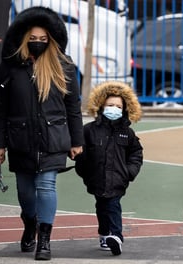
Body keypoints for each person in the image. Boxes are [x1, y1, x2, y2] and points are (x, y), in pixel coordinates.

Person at [0, 6, 84, 261]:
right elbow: (0, 109)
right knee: (25, 192)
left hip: (53, 138)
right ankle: (30, 223)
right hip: (21, 140)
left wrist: (77, 141)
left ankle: (44, 239)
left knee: (46, 185)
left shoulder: (63, 66)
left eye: (43, 39)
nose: (38, 43)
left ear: (52, 40)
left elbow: (73, 107)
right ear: (23, 38)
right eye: (33, 39)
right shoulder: (10, 68)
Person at [74, 81, 143, 256]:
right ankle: (105, 234)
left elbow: (136, 153)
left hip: (118, 178)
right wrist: (85, 172)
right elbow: (80, 152)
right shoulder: (89, 130)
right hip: (96, 178)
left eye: (118, 106)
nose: (114, 109)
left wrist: (129, 172)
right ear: (101, 106)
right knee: (102, 206)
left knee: (113, 205)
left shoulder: (127, 133)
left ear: (125, 109)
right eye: (110, 105)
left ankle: (117, 236)